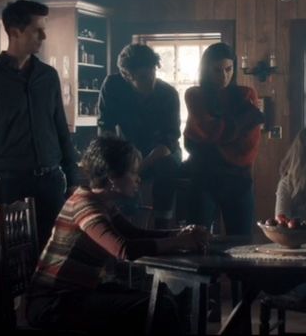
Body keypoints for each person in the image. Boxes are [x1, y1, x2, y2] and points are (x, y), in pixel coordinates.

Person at [26, 136, 209, 334]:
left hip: (76, 294)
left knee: (163, 302)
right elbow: (123, 249)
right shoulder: (85, 205)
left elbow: (134, 233)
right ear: (112, 177)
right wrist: (179, 242)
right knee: (159, 308)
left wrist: (180, 234)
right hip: (54, 303)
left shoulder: (101, 202)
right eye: (132, 172)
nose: (138, 178)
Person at [0, 0, 78, 243]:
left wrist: (73, 180)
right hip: (11, 187)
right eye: (37, 30)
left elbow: (61, 130)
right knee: (14, 262)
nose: (44, 36)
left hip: (52, 184)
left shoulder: (48, 77)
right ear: (15, 32)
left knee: (55, 260)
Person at [98, 43, 182, 228]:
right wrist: (120, 164)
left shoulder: (168, 94)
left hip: (163, 152)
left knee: (166, 168)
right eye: (143, 77)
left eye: (152, 73)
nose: (150, 81)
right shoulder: (112, 86)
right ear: (127, 76)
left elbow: (168, 141)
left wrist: (137, 168)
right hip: (130, 150)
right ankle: (125, 224)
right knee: (115, 174)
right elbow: (106, 127)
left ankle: (163, 225)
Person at [183, 42, 263, 236]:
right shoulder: (195, 94)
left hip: (238, 178)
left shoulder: (246, 94)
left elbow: (248, 145)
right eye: (217, 70)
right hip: (203, 176)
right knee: (196, 240)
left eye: (228, 69)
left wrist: (210, 140)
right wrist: (244, 121)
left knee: (242, 243)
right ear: (206, 69)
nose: (224, 76)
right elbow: (209, 130)